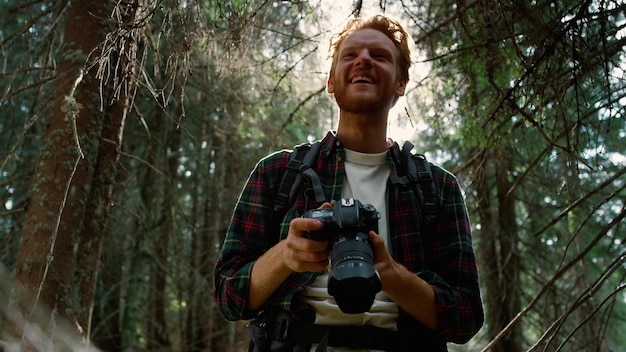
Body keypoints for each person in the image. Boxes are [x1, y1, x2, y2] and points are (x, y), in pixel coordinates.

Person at [214, 14, 484, 351]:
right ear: (331, 81)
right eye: (351, 54)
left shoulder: (437, 187)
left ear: (401, 83)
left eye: (380, 56)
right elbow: (228, 296)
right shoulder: (279, 173)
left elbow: (466, 318)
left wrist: (390, 272)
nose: (364, 60)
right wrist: (286, 254)